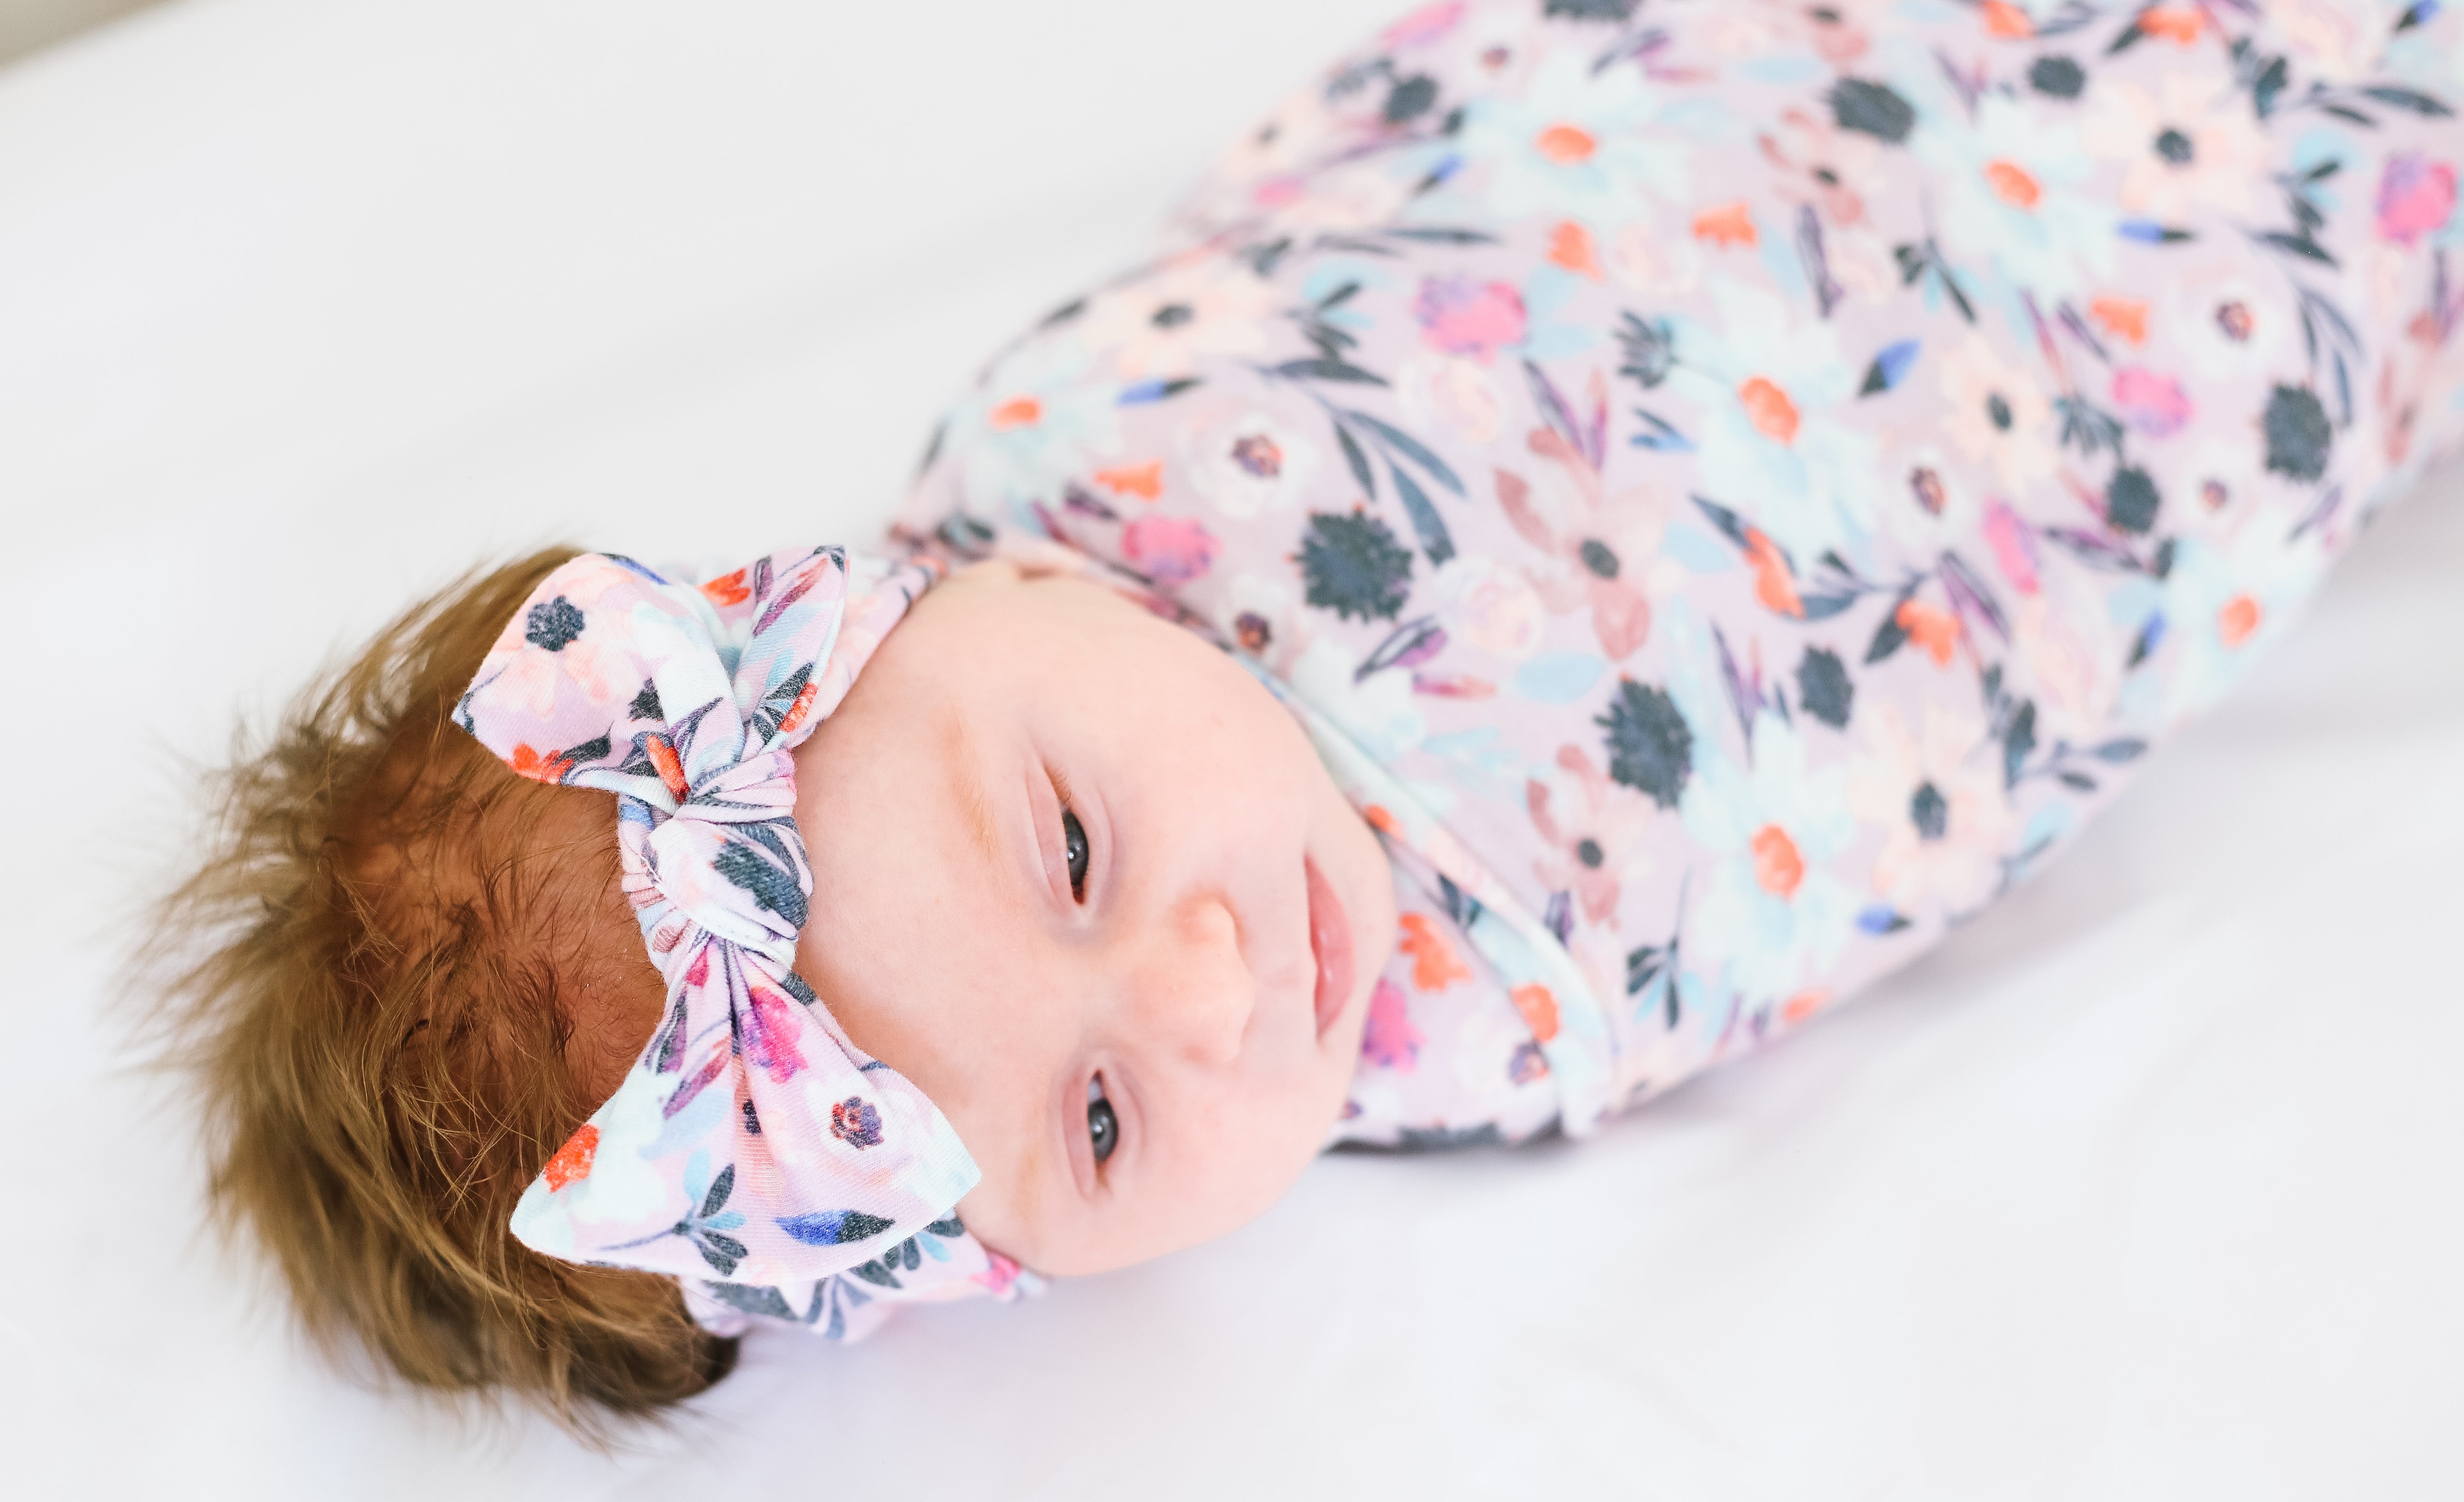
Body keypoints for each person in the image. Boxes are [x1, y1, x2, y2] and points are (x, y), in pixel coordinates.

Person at [162, 0, 2464, 1429]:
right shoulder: (1511, 990)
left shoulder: (1086, 445)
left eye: (1072, 849)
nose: (1215, 992)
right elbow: (1978, 715)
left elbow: (1444, 141)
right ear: (975, 1271)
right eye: (1095, 1125)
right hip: (2185, 326)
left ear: (924, 601)